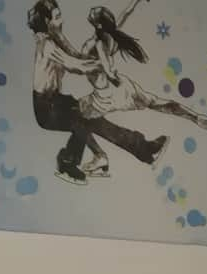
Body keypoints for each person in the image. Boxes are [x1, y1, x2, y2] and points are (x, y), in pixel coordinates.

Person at [27, 0, 168, 184]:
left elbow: (78, 57)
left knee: (94, 119)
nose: (61, 21)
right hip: (45, 108)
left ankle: (143, 150)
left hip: (57, 100)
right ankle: (67, 164)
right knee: (81, 120)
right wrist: (103, 65)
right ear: (47, 22)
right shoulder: (46, 44)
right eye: (57, 17)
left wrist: (99, 55)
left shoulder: (57, 38)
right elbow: (75, 65)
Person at [79, 3, 207, 167]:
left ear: (99, 24)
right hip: (125, 87)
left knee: (77, 117)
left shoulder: (98, 43)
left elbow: (105, 64)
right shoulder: (112, 34)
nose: (92, 10)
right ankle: (196, 118)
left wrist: (109, 73)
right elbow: (126, 13)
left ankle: (99, 156)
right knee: (156, 103)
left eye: (95, 13)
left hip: (106, 95)